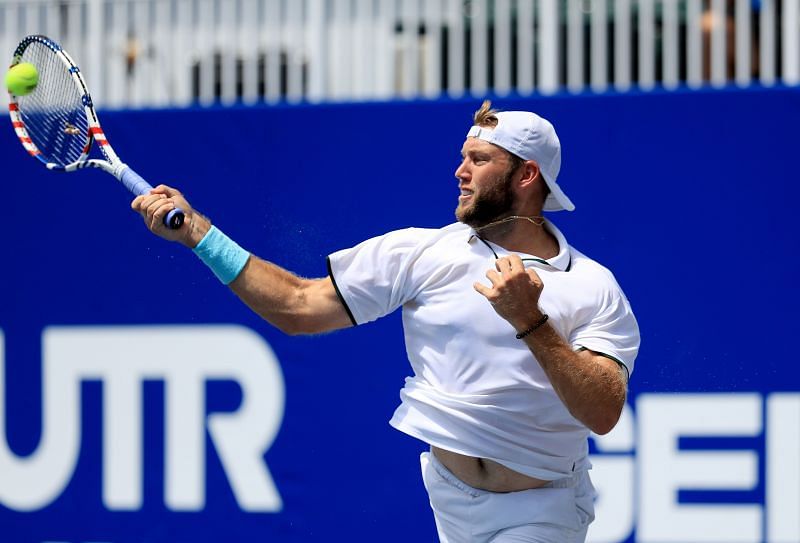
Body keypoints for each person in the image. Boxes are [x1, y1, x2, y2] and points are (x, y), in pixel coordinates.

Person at [132, 100, 639, 543]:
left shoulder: (591, 285)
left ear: (527, 176)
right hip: (451, 501)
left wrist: (531, 321)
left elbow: (603, 411)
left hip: (544, 509)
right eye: (462, 158)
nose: (460, 172)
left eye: (479, 160)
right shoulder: (420, 251)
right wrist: (199, 232)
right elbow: (299, 308)